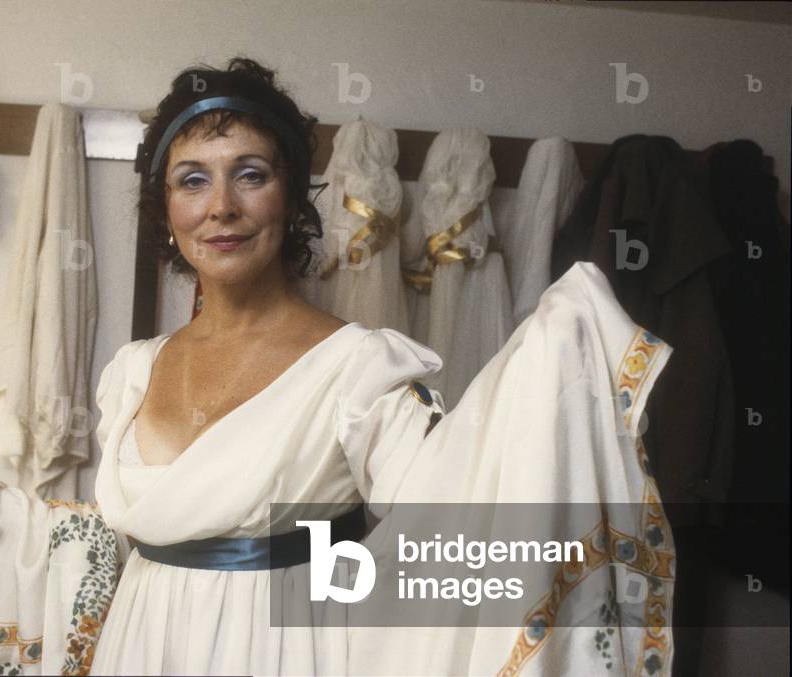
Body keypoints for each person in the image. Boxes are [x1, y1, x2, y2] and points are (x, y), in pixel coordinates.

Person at [89, 56, 675, 676]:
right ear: (166, 206)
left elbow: (453, 508)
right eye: (192, 180)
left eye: (251, 175)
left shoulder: (356, 369)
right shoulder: (131, 373)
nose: (221, 207)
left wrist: (551, 358)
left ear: (290, 197)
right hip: (139, 644)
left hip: (285, 649)